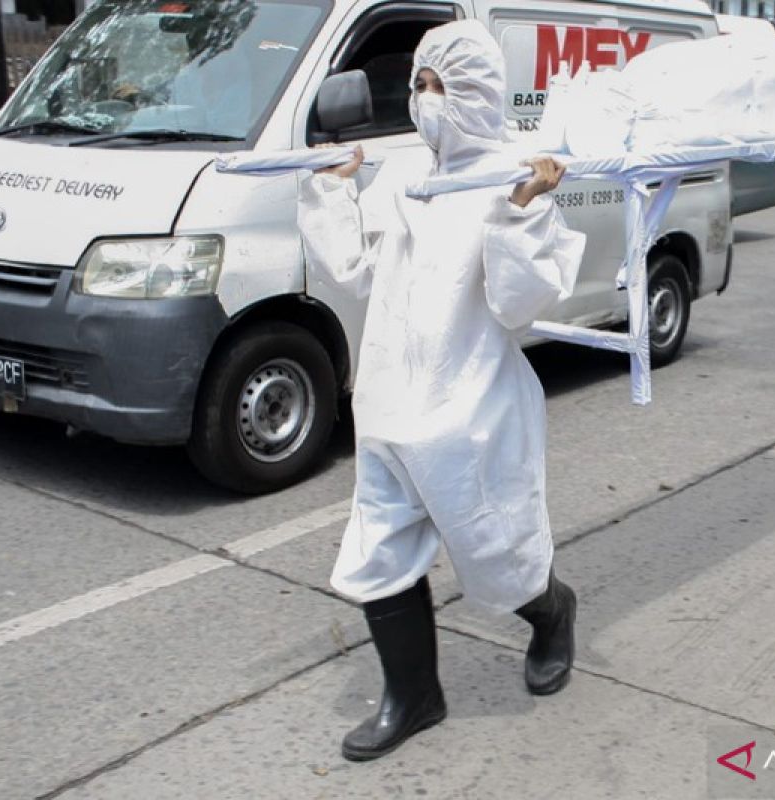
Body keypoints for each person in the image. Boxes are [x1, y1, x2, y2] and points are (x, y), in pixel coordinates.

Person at [298, 21, 585, 761]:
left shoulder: (512, 177)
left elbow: (524, 304)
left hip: (471, 407)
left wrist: (522, 213)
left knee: (497, 554)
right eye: (418, 84)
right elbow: (352, 273)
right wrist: (332, 198)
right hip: (390, 406)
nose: (422, 100)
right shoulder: (401, 176)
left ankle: (552, 613)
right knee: (379, 555)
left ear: (478, 94)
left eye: (438, 86)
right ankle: (414, 697)